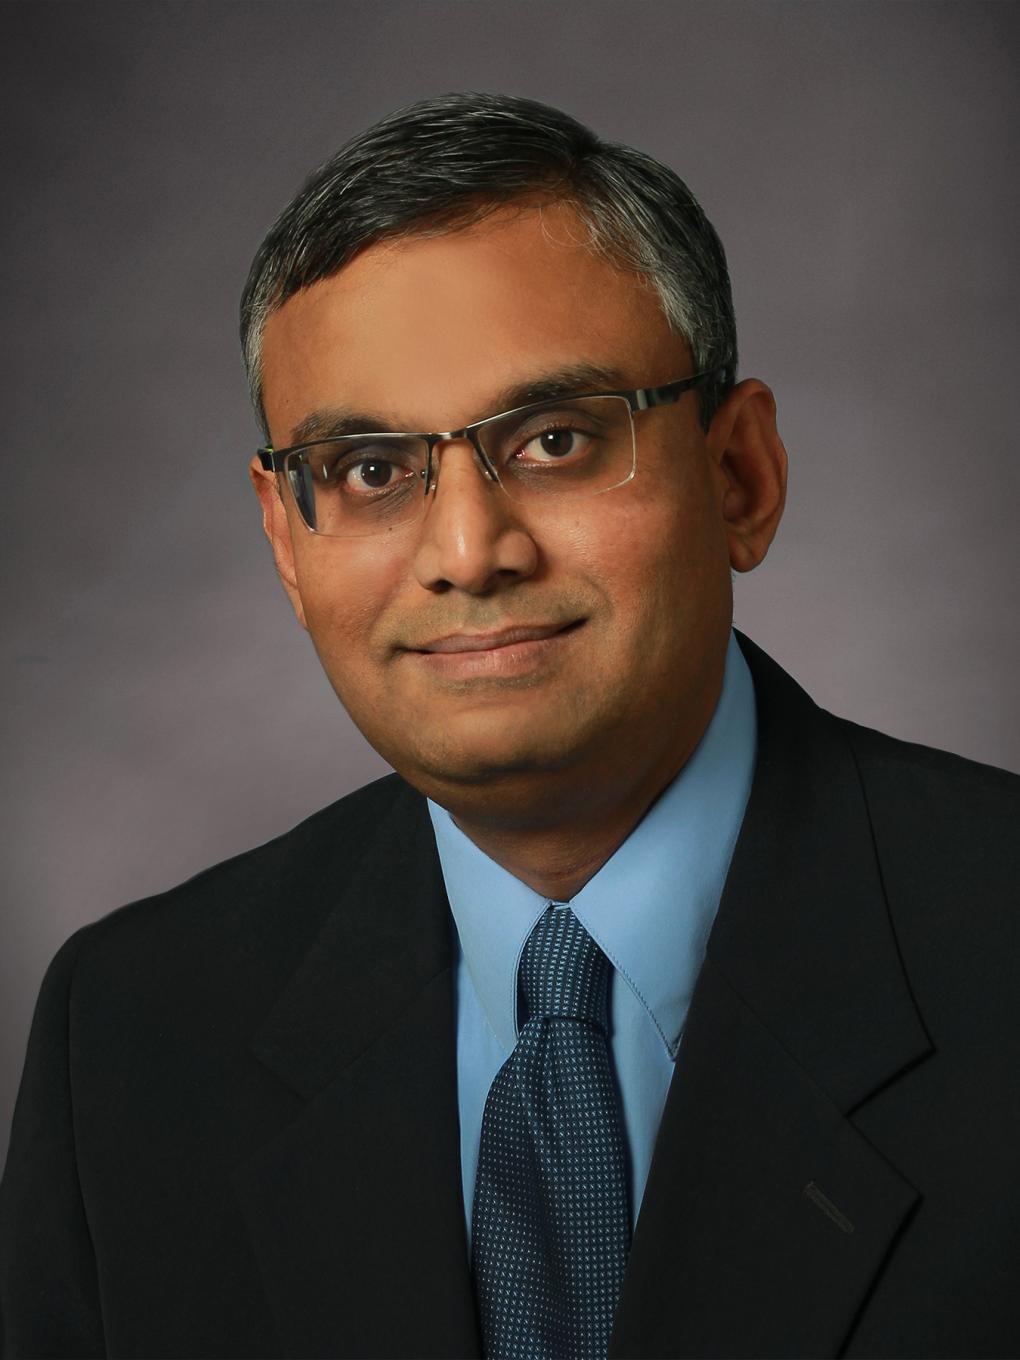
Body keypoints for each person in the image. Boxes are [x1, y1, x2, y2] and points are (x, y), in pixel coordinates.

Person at [1, 91, 1017, 1360]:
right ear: (286, 539)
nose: (469, 553)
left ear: (740, 475)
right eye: (370, 471)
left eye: (553, 439)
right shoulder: (134, 1034)